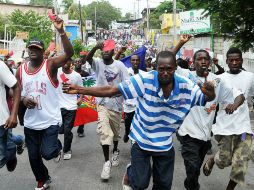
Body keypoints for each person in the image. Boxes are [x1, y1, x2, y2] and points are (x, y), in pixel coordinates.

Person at [63, 50, 216, 190]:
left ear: (175, 68)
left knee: (163, 186)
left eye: (169, 69)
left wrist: (211, 94)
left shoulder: (187, 86)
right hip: (141, 139)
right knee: (140, 184)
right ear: (155, 68)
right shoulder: (145, 79)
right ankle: (131, 171)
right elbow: (112, 90)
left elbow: (206, 98)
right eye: (161, 69)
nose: (164, 73)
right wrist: (80, 89)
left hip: (164, 144)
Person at [16, 16, 74, 190]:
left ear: (42, 52)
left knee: (47, 153)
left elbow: (69, 54)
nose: (33, 50)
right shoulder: (20, 69)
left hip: (50, 120)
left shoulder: (50, 65)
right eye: (30, 48)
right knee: (33, 157)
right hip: (31, 122)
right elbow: (16, 91)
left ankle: (56, 147)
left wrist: (62, 32)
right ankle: (42, 179)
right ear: (27, 51)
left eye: (36, 48)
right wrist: (23, 102)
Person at [177, 49, 244, 190]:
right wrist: (181, 43)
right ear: (193, 62)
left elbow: (238, 94)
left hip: (205, 135)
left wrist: (234, 105)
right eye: (199, 58)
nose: (202, 61)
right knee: (193, 167)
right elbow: (167, 59)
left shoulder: (218, 80)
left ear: (209, 62)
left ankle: (191, 183)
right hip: (187, 133)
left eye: (205, 59)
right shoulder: (186, 75)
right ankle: (192, 185)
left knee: (194, 171)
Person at [203, 47, 254, 190]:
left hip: (244, 127)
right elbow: (211, 99)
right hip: (225, 127)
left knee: (241, 163)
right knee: (223, 161)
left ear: (242, 60)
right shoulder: (220, 79)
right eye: (231, 60)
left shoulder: (250, 77)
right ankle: (213, 159)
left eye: (237, 60)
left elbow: (250, 96)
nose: (234, 62)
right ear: (227, 62)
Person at [84, 40, 129, 181]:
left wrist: (119, 94)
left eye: (108, 50)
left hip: (116, 105)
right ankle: (106, 162)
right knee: (105, 132)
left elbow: (126, 83)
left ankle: (115, 150)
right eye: (103, 50)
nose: (105, 52)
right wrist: (95, 47)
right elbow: (88, 59)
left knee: (115, 135)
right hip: (102, 104)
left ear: (113, 52)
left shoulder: (120, 66)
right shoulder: (98, 63)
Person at [58, 59, 83, 160]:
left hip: (71, 106)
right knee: (59, 130)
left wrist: (80, 98)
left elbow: (81, 88)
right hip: (58, 105)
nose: (64, 64)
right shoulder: (58, 71)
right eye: (63, 62)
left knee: (68, 130)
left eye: (66, 62)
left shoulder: (76, 76)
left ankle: (67, 150)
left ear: (71, 64)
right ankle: (57, 147)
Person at [0, 60, 21, 172]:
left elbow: (16, 87)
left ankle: (11, 151)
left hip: (1, 120)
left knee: (2, 156)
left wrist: (14, 114)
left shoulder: (1, 65)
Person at [123, 54, 144, 143]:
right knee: (128, 126)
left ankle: (134, 145)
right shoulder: (126, 73)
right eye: (133, 60)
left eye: (137, 60)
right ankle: (127, 133)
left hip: (139, 105)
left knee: (137, 126)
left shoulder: (143, 74)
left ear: (139, 62)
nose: (135, 62)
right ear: (130, 61)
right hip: (128, 106)